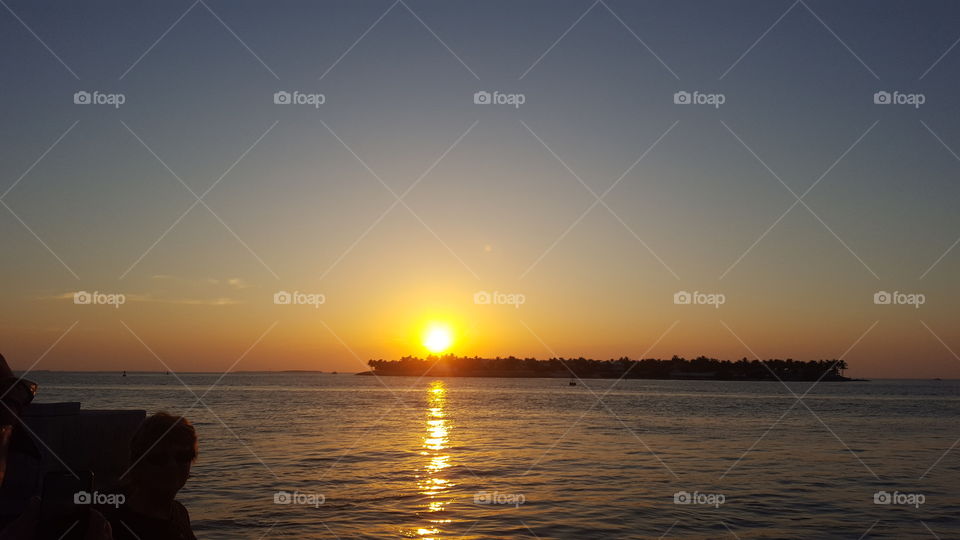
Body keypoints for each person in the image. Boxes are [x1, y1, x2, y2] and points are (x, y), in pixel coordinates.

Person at [106, 413, 197, 540]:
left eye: (182, 456)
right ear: (137, 464)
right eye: (160, 458)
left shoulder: (179, 513)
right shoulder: (113, 526)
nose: (172, 466)